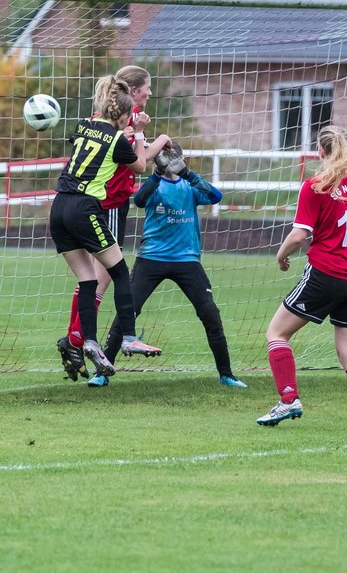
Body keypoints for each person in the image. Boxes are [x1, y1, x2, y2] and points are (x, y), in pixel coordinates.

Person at [256, 126, 347, 430]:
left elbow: (300, 234)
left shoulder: (315, 185)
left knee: (277, 333)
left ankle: (288, 400)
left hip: (327, 273)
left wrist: (280, 255)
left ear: (321, 151)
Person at [92, 141, 247, 389]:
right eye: (164, 158)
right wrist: (155, 175)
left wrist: (187, 173)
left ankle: (226, 374)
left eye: (173, 157)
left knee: (210, 313)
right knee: (128, 311)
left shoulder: (189, 185)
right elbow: (139, 201)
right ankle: (103, 371)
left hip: (187, 261)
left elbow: (216, 196)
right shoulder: (154, 185)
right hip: (151, 258)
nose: (168, 161)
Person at [51, 75, 171, 381]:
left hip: (59, 207)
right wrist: (141, 134)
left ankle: (88, 342)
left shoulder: (83, 125)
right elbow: (141, 166)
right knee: (119, 272)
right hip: (85, 208)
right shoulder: (119, 139)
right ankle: (128, 335)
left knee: (87, 279)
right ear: (122, 116)